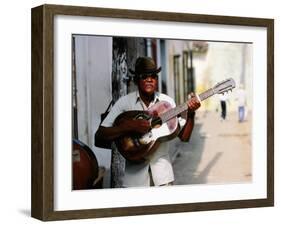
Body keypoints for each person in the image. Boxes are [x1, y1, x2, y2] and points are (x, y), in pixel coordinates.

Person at [95, 57, 201, 187]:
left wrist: (191, 113)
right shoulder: (124, 103)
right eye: (144, 76)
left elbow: (184, 137)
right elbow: (100, 134)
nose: (150, 79)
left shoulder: (167, 103)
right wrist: (129, 126)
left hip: (163, 178)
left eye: (153, 76)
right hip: (134, 181)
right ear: (136, 79)